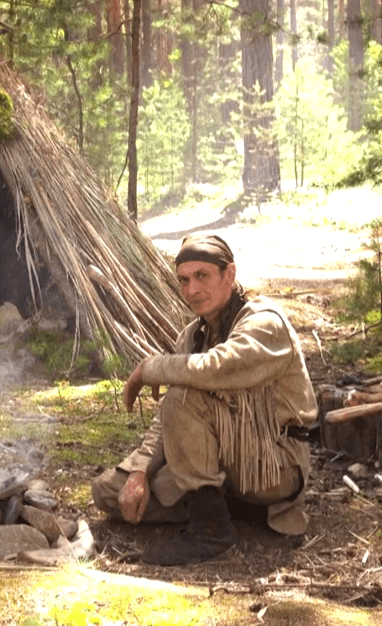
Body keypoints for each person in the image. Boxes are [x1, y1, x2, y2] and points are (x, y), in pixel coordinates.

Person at [91, 234, 319, 565]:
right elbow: (167, 419)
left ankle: (210, 531)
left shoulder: (265, 323)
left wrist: (153, 368)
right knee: (110, 491)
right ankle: (230, 507)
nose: (192, 290)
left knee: (184, 395)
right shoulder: (193, 335)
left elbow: (216, 368)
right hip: (222, 461)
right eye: (183, 280)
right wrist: (139, 472)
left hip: (274, 464)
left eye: (202, 276)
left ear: (229, 275)